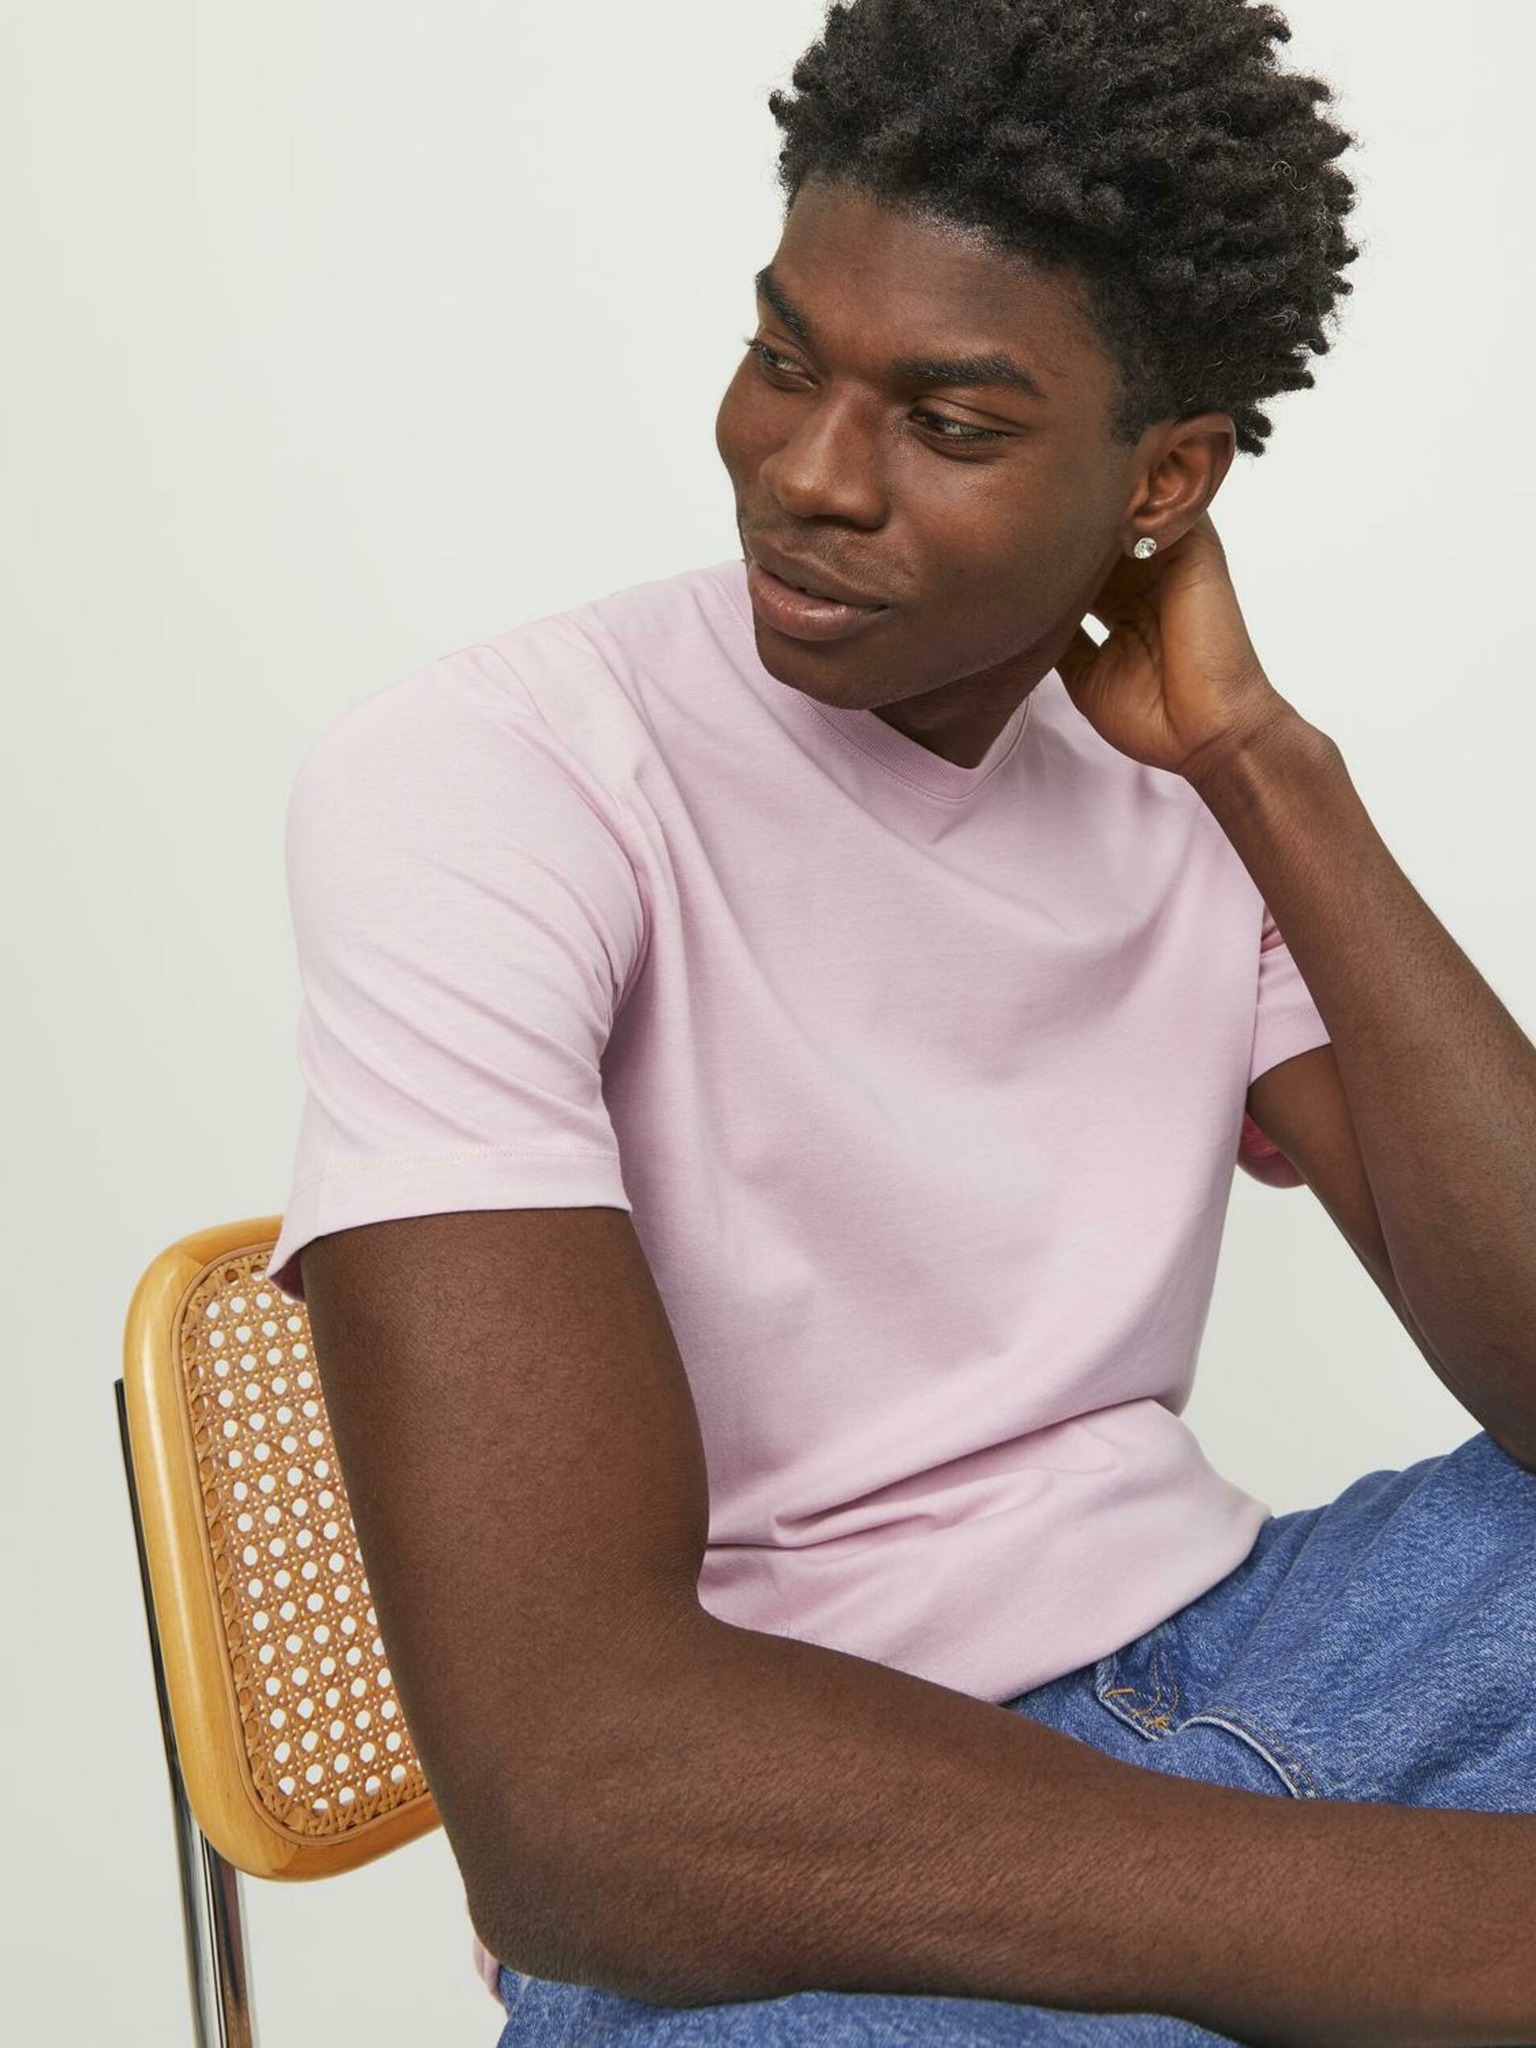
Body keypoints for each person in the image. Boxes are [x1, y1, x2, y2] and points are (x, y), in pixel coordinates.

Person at [263, 1, 1536, 2041]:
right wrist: (1465, 1930)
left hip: (1269, 1668)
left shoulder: (1184, 790)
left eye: (948, 423)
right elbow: (575, 1794)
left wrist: (1264, 763)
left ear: (1165, 478)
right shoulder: (499, 779)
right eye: (785, 359)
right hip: (789, 1844)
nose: (807, 475)